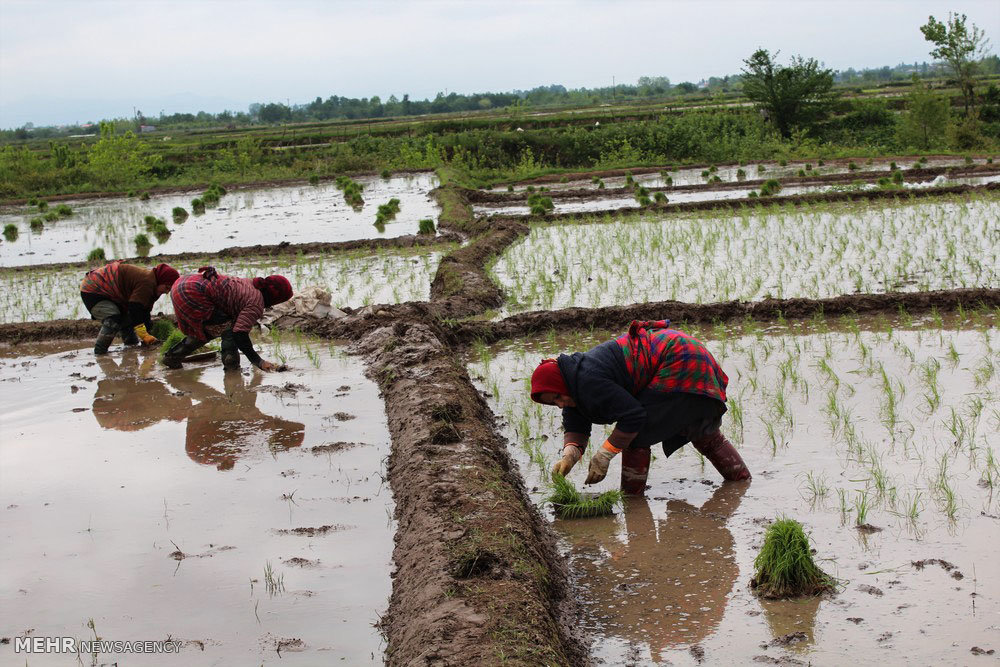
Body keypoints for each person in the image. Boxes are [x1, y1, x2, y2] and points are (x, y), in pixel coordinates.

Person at [530, 319, 750, 493]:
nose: (560, 404)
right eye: (553, 402)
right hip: (686, 352)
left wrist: (604, 454)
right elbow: (575, 424)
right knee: (697, 426)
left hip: (679, 358)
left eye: (558, 396)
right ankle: (741, 482)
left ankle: (632, 500)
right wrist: (569, 456)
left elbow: (633, 417)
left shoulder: (587, 380)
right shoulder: (573, 383)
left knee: (635, 435)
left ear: (562, 384)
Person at [163, 266, 292, 371]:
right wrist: (258, 361)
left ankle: (173, 357)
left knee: (208, 330)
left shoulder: (250, 283)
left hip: (181, 284)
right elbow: (240, 334)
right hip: (193, 291)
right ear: (276, 297)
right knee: (228, 327)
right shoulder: (256, 303)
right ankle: (231, 364)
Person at [80, 261, 179, 355]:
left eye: (169, 290)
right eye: (166, 287)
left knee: (127, 318)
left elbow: (144, 310)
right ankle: (100, 352)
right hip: (93, 290)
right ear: (161, 280)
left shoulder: (152, 284)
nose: (166, 292)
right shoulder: (147, 282)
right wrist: (143, 334)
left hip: (111, 293)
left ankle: (131, 345)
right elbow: (135, 308)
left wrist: (149, 333)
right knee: (113, 319)